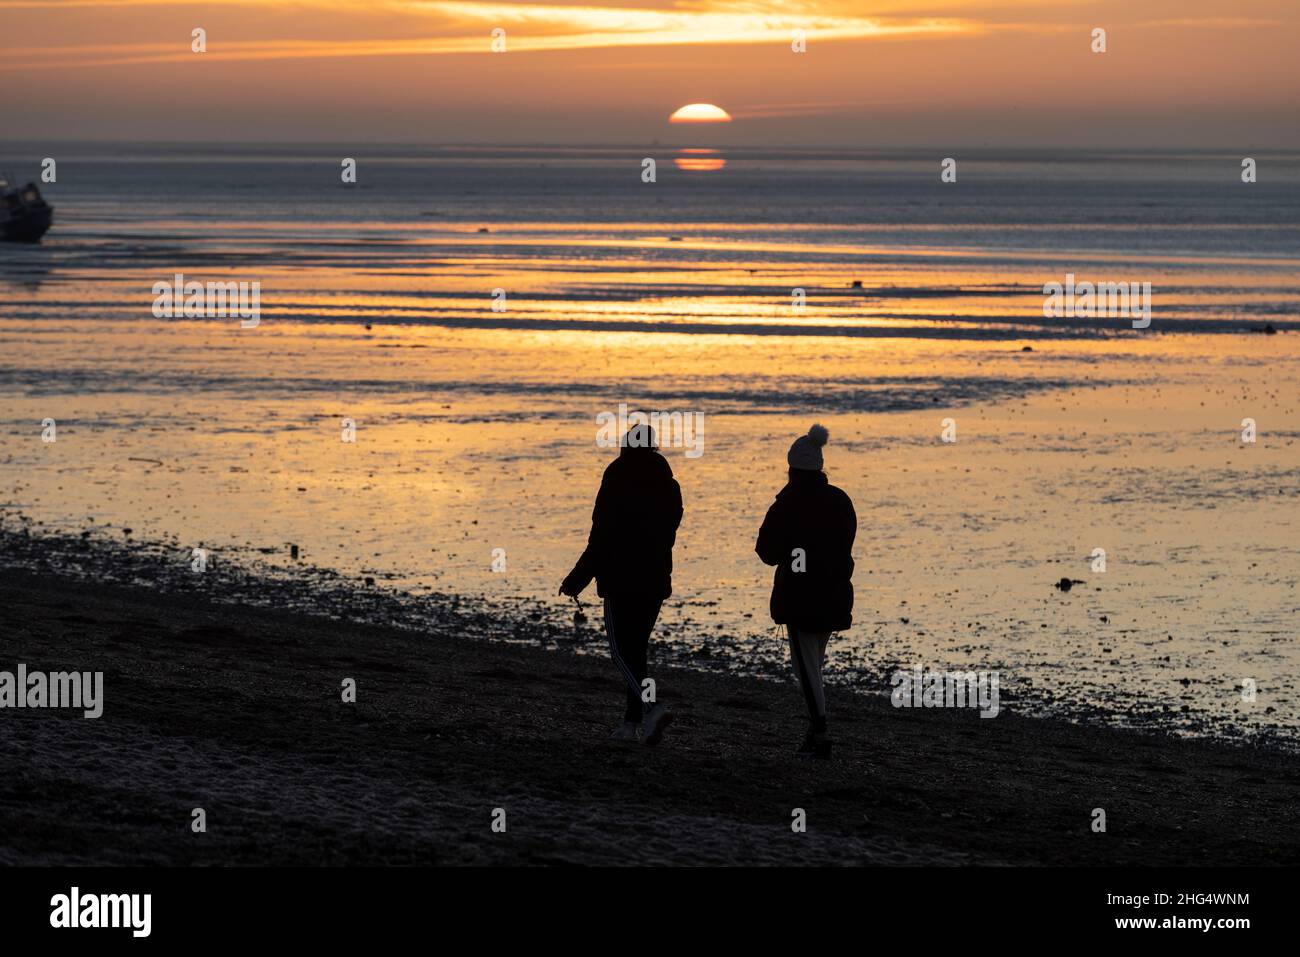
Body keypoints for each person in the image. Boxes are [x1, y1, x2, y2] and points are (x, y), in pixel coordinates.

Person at [560, 423, 683, 745]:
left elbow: (601, 535)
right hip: (655, 579)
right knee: (636, 653)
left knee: (621, 653)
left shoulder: (616, 480)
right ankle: (631, 724)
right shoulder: (670, 486)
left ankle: (652, 706)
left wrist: (578, 577)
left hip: (621, 579)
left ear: (625, 447)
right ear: (654, 448)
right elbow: (668, 535)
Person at [755, 424, 856, 759]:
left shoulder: (788, 504)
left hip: (800, 598)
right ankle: (816, 732)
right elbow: (845, 545)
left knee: (806, 667)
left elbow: (766, 551)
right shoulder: (840, 500)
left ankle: (821, 731)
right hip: (833, 593)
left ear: (792, 470)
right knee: (812, 664)